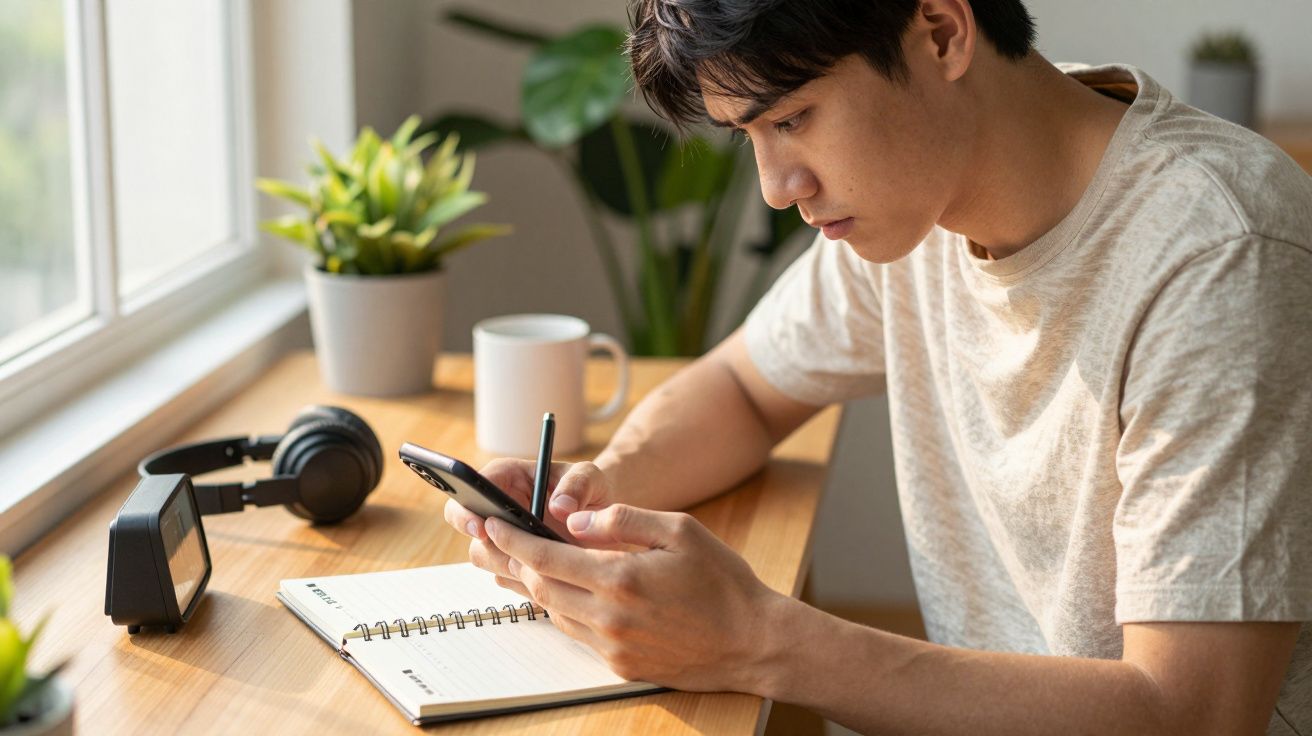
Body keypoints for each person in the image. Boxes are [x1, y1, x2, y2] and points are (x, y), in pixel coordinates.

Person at [445, 0, 1312, 732]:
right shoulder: (924, 196)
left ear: (939, 32)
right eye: (749, 134)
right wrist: (589, 504)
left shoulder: (1219, 253)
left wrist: (757, 637)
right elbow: (745, 388)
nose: (777, 186)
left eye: (790, 119)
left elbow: (1194, 713)